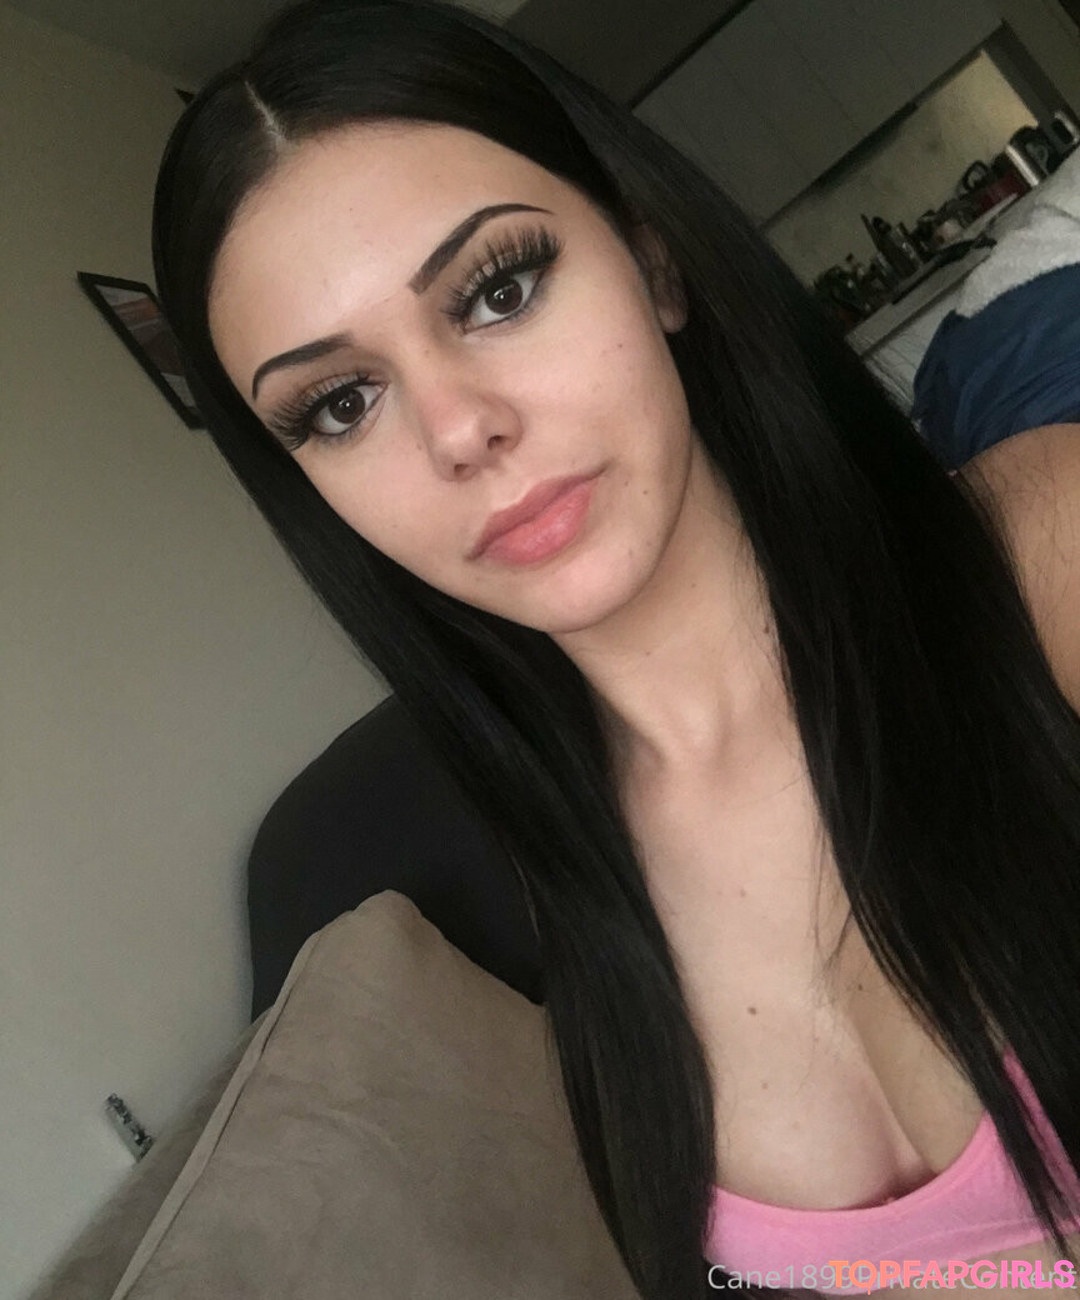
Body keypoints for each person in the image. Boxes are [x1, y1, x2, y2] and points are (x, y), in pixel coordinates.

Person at [150, 2, 1080, 1296]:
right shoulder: (514, 900)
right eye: (341, 403)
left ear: (654, 264)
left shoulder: (1044, 557)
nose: (459, 430)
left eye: (499, 290)